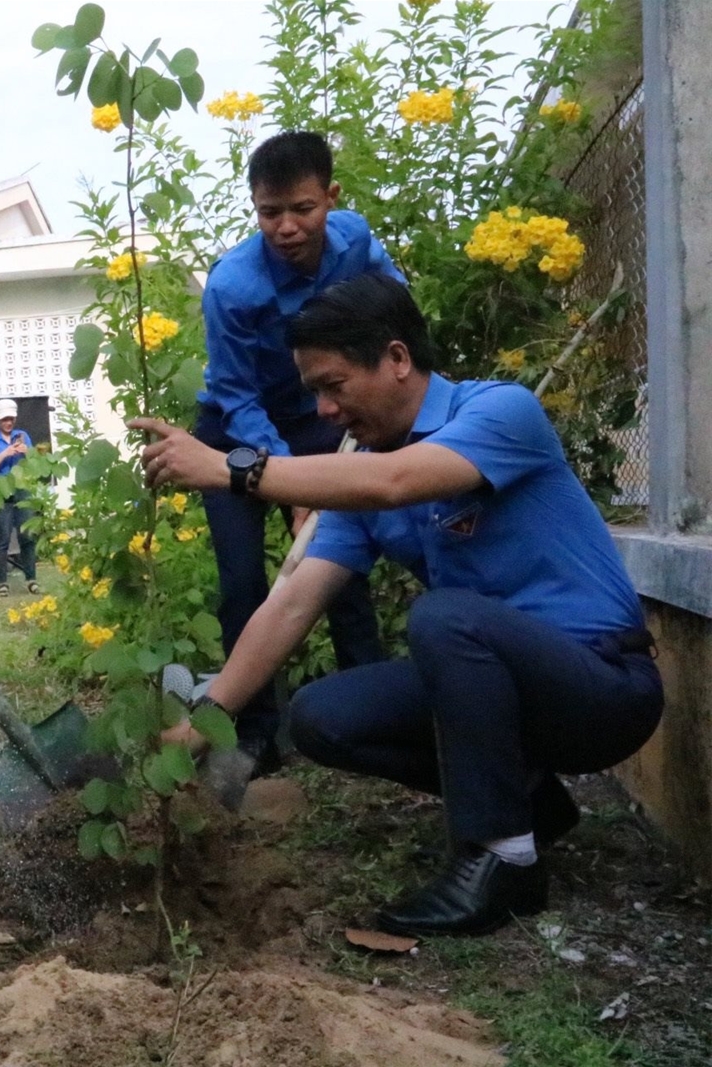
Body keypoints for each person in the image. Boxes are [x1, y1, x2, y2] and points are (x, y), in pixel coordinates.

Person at [133, 273, 663, 936]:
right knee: (323, 716)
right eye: (314, 392)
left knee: (445, 616)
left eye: (333, 385)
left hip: (603, 688)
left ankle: (502, 861)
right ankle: (529, 804)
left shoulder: (499, 413)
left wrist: (233, 467)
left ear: (398, 359)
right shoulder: (368, 470)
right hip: (510, 686)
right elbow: (293, 602)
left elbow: (395, 483)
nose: (324, 410)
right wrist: (206, 720)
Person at [193, 130, 397, 776]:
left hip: (324, 421)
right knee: (243, 581)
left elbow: (399, 310)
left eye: (302, 209)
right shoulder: (231, 286)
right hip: (233, 428)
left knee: (341, 569)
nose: (285, 227)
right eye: (269, 212)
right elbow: (235, 394)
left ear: (331, 198)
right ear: (254, 208)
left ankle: (376, 723)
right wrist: (291, 485)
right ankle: (254, 737)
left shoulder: (357, 242)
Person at [0, 398, 39, 597]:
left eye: (11, 418)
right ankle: (2, 582)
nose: (8, 422)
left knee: (27, 536)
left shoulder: (22, 436)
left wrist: (27, 452)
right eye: (4, 419)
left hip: (22, 489)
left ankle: (31, 579)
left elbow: (33, 463)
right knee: (1, 538)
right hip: (0, 491)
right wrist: (5, 453)